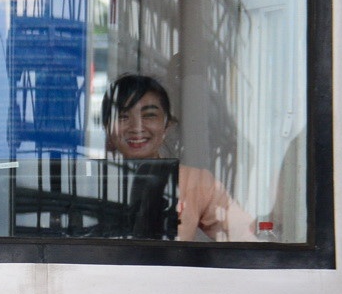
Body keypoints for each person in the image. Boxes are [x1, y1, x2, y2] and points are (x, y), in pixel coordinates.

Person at [101, 73, 258, 242]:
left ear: (167, 124)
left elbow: (244, 237)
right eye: (123, 117)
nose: (137, 127)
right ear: (107, 128)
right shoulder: (89, 181)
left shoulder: (195, 182)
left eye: (149, 115)